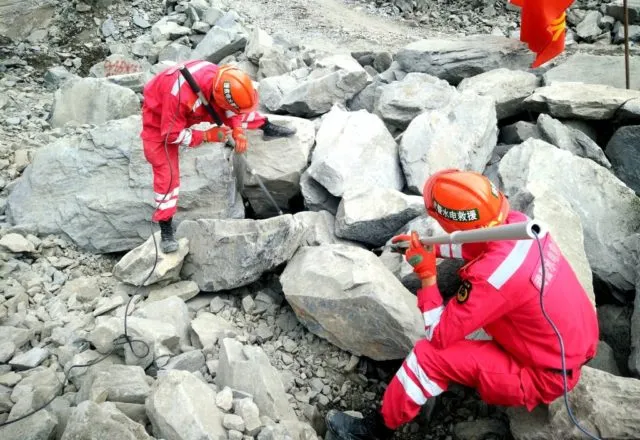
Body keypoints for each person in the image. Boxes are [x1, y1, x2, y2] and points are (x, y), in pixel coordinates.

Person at [325, 169, 599, 440]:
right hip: (573, 343)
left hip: (544, 374)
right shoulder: (517, 224)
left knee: (427, 357)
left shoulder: (492, 277)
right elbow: (475, 242)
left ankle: (375, 431)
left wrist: (428, 276)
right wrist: (431, 247)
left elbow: (438, 335)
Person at [140, 59, 296, 253]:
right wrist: (206, 135)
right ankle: (165, 228)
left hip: (202, 102)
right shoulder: (179, 95)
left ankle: (264, 125)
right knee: (166, 174)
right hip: (162, 112)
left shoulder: (223, 79)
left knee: (240, 111)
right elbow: (172, 135)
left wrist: (237, 130)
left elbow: (232, 110)